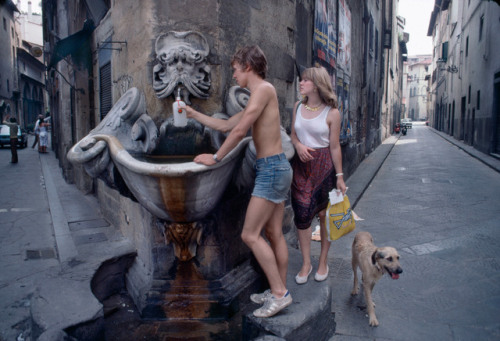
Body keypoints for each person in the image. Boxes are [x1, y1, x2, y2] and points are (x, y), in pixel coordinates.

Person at [182, 45, 293, 318]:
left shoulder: (264, 89)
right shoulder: (259, 95)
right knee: (273, 234)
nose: (233, 75)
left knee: (249, 234)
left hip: (271, 170)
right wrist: (193, 114)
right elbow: (227, 125)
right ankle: (278, 288)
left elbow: (242, 130)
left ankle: (280, 294)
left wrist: (216, 157)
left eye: (234, 68)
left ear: (247, 66)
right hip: (275, 168)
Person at [290, 66, 347, 285]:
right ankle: (306, 263)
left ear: (316, 85)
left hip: (325, 169)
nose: (301, 83)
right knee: (302, 216)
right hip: (302, 167)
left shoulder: (332, 113)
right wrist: (298, 146)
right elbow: (293, 136)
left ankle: (323, 260)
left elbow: (334, 147)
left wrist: (340, 176)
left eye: (305, 81)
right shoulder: (298, 106)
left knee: (324, 216)